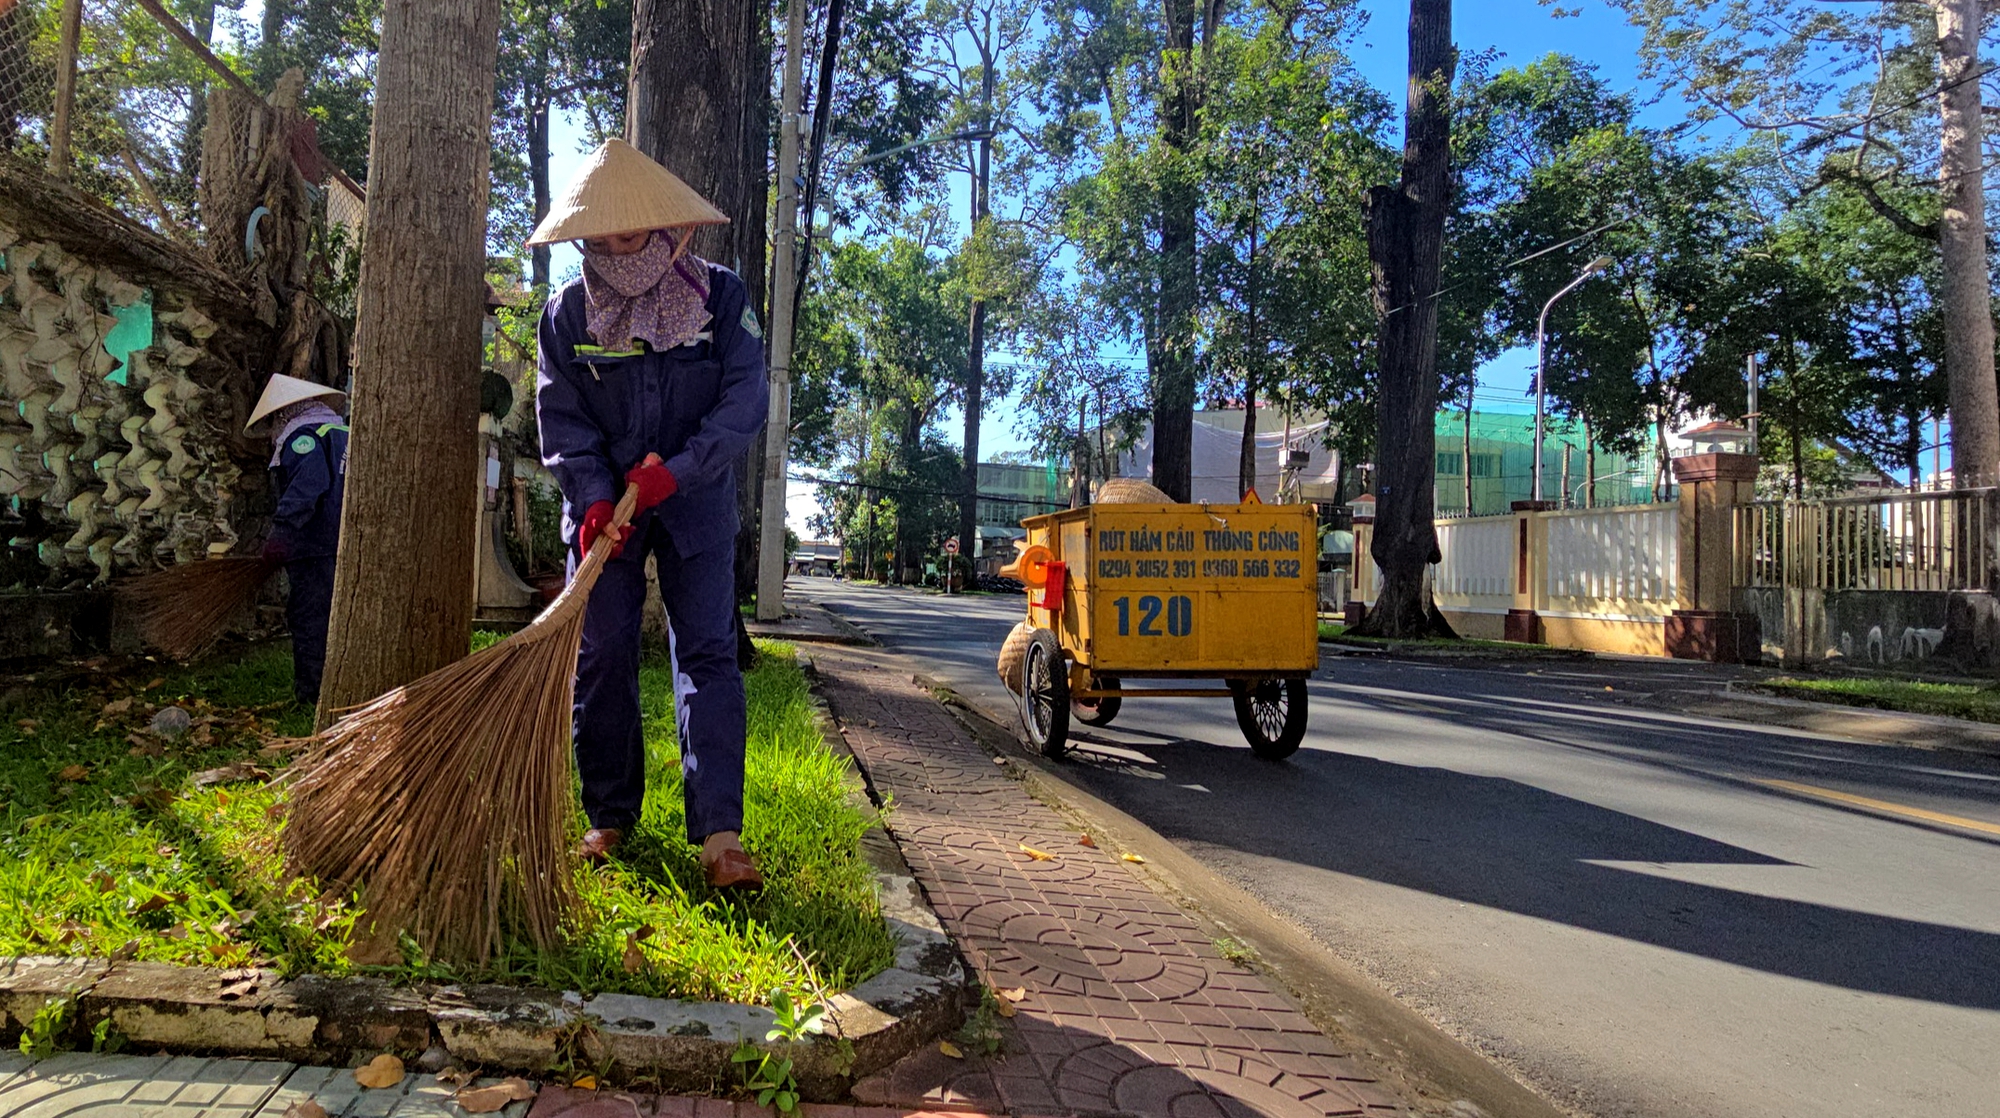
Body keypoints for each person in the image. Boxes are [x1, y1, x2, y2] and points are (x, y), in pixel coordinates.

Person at [528, 139, 770, 889]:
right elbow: (560, 417)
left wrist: (682, 470)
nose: (614, 251)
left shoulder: (719, 301)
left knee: (707, 653)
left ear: (668, 230)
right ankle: (607, 816)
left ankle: (719, 832)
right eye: (597, 241)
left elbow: (745, 402)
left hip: (694, 506)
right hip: (606, 515)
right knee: (600, 656)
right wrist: (595, 493)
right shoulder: (567, 314)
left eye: (627, 237)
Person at [244, 374, 349, 706]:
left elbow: (309, 485)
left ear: (283, 413)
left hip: (316, 547)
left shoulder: (302, 437)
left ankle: (313, 696)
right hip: (349, 544)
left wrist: (281, 535)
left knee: (310, 618)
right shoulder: (342, 433)